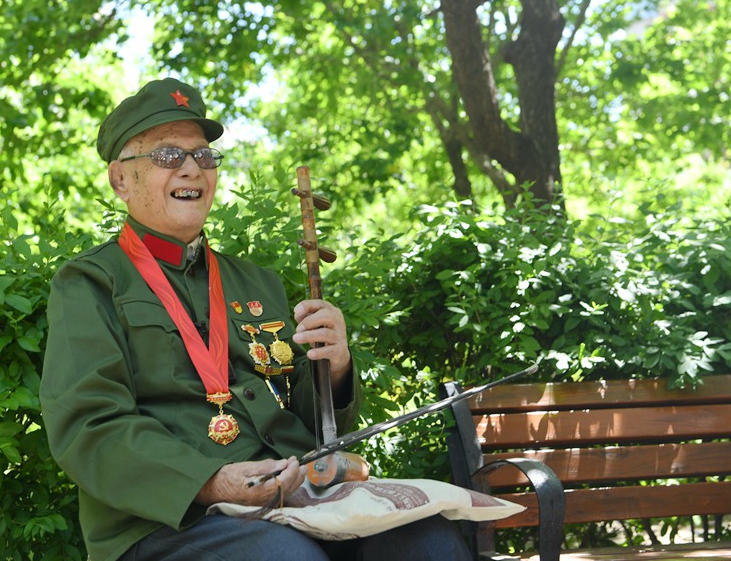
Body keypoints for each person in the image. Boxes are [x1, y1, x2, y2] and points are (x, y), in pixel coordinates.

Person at [39, 78, 472, 561]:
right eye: (167, 156)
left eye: (204, 156)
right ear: (120, 179)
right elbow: (89, 427)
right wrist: (208, 480)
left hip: (297, 499)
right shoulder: (90, 284)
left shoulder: (256, 284)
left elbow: (310, 420)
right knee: (286, 557)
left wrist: (336, 366)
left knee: (430, 540)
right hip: (169, 522)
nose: (192, 169)